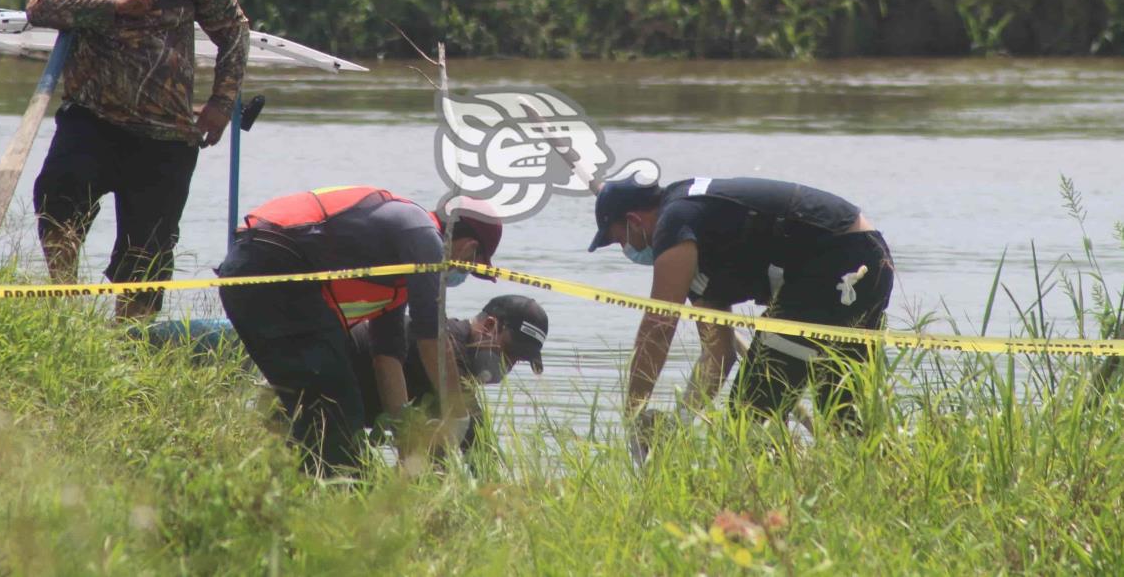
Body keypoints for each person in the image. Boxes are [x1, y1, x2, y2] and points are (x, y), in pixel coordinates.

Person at [26, 0, 249, 319]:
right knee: (58, 200)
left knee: (149, 252)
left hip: (166, 135)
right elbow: (40, 4)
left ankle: (133, 339)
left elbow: (235, 31)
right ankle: (62, 309)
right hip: (94, 119)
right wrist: (113, 6)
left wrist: (222, 102)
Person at [216, 186, 503, 476]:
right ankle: (341, 497)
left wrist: (401, 424)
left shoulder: (399, 263)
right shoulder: (423, 236)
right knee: (336, 411)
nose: (463, 275)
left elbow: (386, 354)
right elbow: (431, 334)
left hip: (250, 274)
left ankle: (274, 487)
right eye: (470, 267)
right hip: (273, 266)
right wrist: (457, 414)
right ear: (469, 249)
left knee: (311, 407)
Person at [587, 176, 894, 428]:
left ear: (634, 220)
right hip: (864, 259)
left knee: (750, 415)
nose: (626, 249)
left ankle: (764, 496)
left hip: (842, 263)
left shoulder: (675, 223)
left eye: (619, 239)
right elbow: (718, 354)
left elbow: (658, 328)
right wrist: (677, 425)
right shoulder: (695, 243)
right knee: (841, 415)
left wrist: (631, 414)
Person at [348, 294, 548, 457]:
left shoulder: (456, 352)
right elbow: (479, 444)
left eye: (520, 359)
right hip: (334, 375)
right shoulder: (446, 350)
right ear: (489, 326)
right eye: (510, 351)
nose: (509, 365)